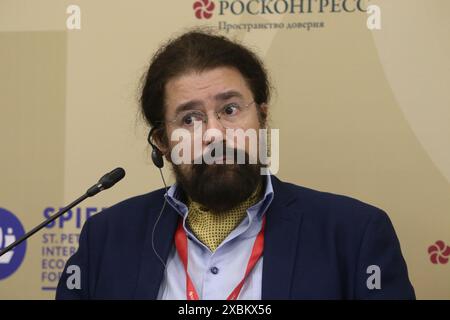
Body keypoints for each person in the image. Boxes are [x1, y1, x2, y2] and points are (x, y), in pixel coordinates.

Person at [56, 29, 415, 300]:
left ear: (261, 118)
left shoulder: (354, 234)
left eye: (230, 110)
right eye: (190, 119)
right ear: (163, 143)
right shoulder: (105, 239)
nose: (214, 134)